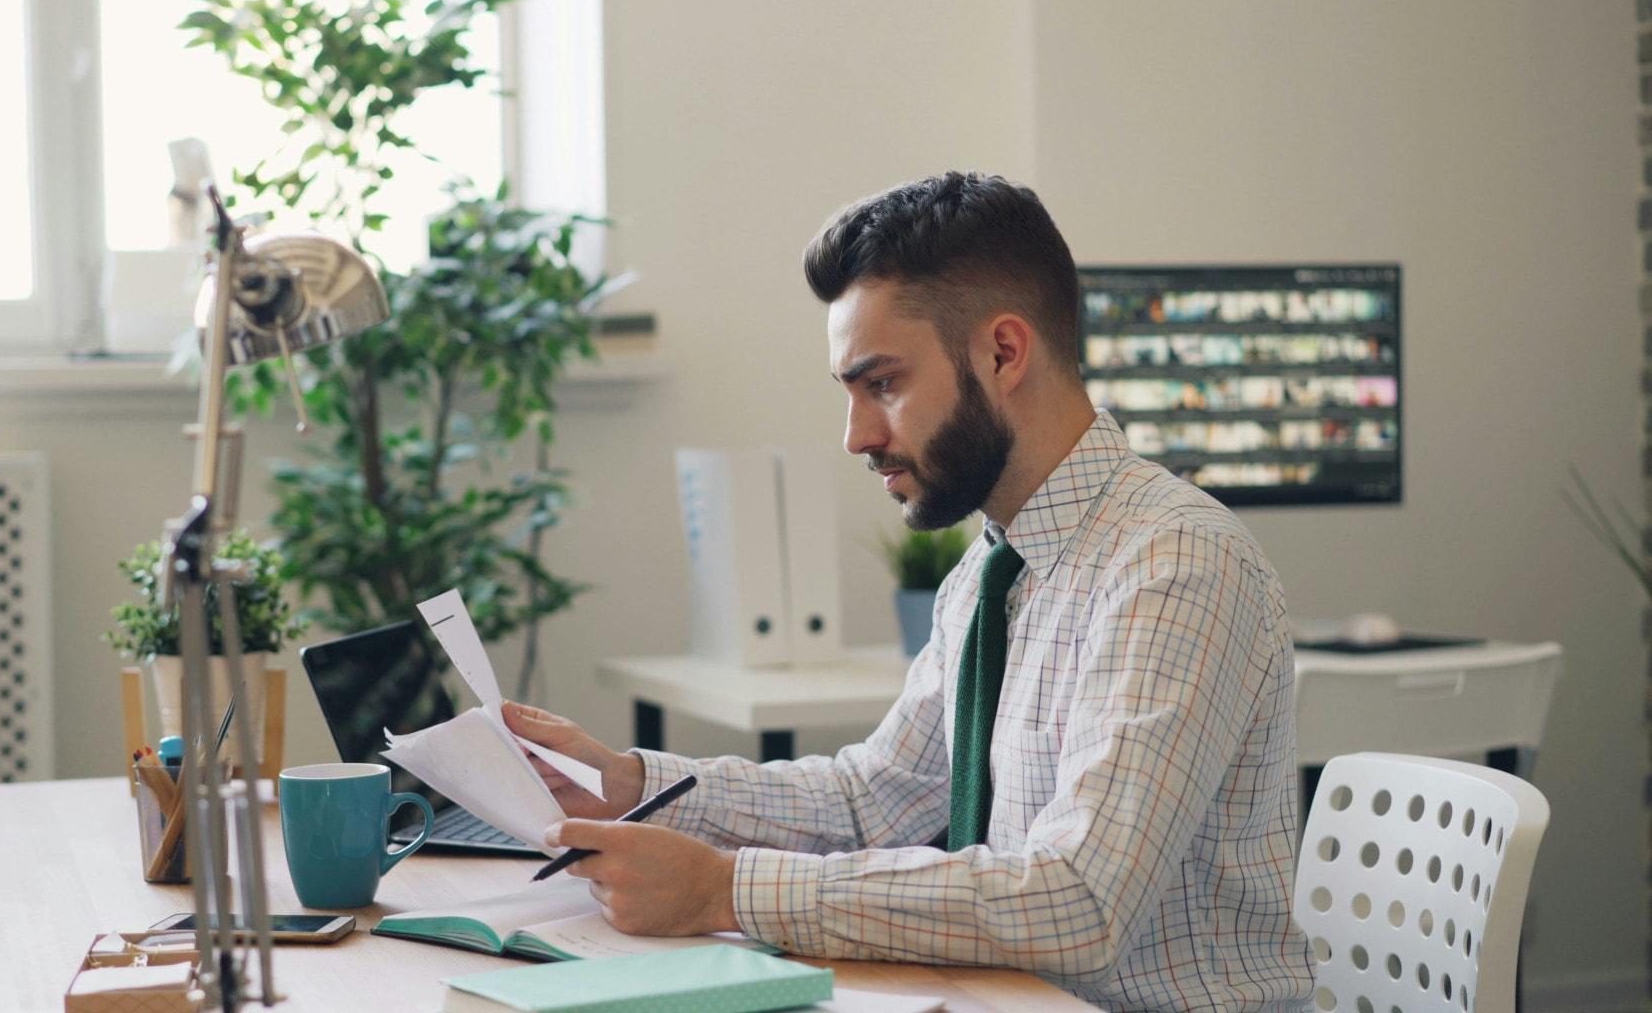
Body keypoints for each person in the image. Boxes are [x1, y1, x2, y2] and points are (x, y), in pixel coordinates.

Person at [504, 172, 1314, 1010]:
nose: (857, 435)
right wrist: (635, 785)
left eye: (882, 383)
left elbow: (1078, 903)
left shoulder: (1175, 564)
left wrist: (724, 891)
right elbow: (871, 801)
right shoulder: (991, 570)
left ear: (1003, 353)